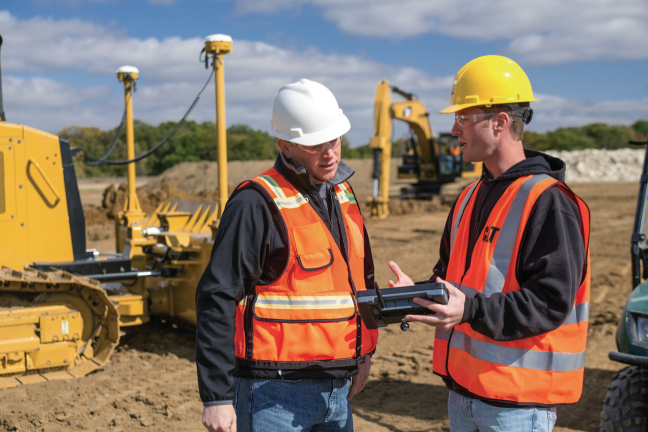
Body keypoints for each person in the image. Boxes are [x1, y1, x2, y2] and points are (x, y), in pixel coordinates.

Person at [388, 55, 590, 431]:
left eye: (464, 118)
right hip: (462, 393)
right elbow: (453, 281)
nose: (453, 129)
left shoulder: (549, 200)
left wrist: (471, 312)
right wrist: (414, 293)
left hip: (515, 405)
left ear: (499, 122)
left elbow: (550, 302)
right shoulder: (468, 197)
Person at [196, 78, 379, 432]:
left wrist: (364, 354)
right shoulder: (255, 202)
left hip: (339, 390)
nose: (330, 153)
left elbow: (361, 279)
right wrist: (216, 397)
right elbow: (216, 296)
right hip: (271, 395)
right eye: (315, 145)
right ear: (286, 145)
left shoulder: (344, 194)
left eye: (335, 140)